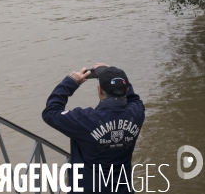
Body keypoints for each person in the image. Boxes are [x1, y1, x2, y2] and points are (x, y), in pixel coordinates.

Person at [42, 64, 145, 193]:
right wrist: (116, 74)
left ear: (100, 90)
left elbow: (50, 113)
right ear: (126, 88)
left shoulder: (85, 120)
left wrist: (71, 82)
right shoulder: (136, 113)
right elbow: (133, 97)